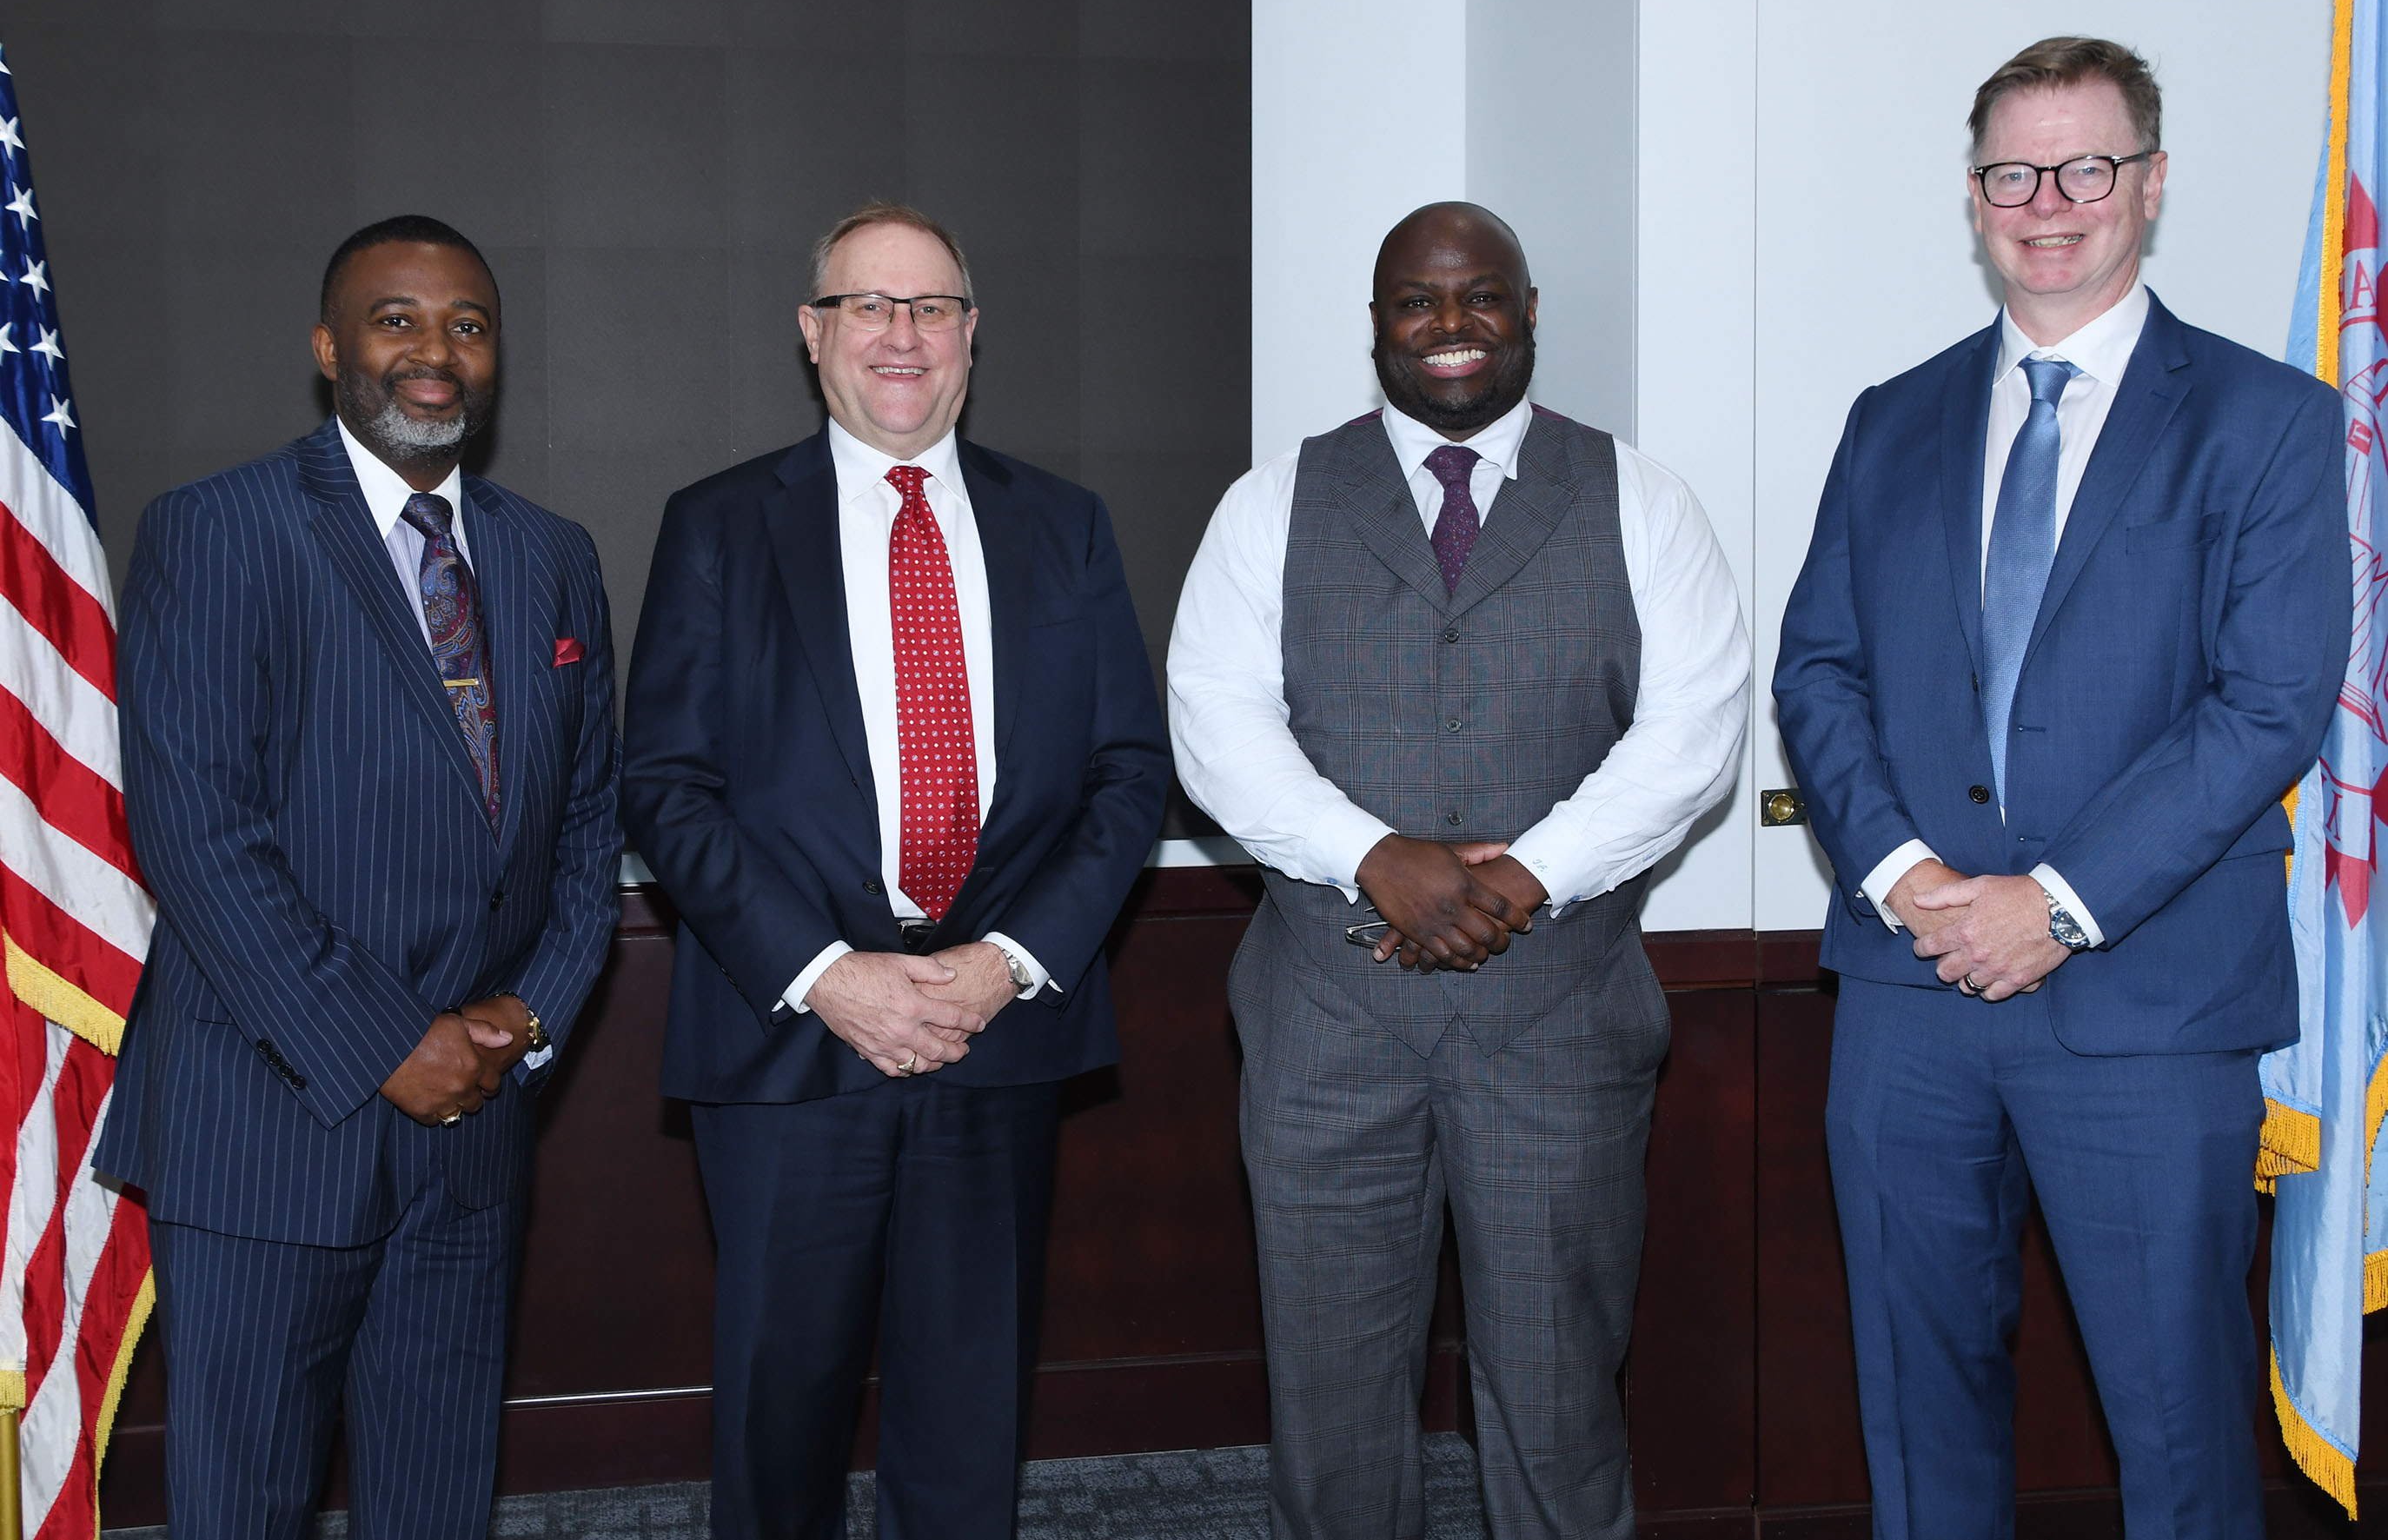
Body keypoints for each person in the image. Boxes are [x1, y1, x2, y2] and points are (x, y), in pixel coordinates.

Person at [1774, 37, 2347, 1537]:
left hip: (2152, 1016)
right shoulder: (1890, 419)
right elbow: (1817, 672)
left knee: (2179, 1433)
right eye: (2015, 172)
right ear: (1974, 200)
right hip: (1908, 1001)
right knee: (1918, 1406)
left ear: (2149, 187)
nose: (2050, 201)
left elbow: (2269, 704)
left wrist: (2059, 905)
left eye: (2087, 166)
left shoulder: (2267, 422)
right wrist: (1905, 877)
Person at [1169, 202, 1749, 1539]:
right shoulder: (1273, 500)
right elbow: (1214, 718)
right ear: (1376, 326)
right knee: (1329, 1405)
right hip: (1325, 1030)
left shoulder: (1642, 497)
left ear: (1531, 310)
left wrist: (1524, 877)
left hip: (1560, 1027)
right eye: (1416, 304)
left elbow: (1695, 731)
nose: (1448, 328)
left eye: (1479, 297)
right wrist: (1374, 858)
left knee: (1556, 1400)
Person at [620, 201, 1169, 1539]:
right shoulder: (718, 526)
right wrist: (830, 977)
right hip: (790, 1043)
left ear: (974, 336)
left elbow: (1126, 778)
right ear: (815, 335)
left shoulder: (1067, 525)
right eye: (869, 304)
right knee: (776, 1415)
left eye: (931, 307)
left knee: (970, 1416)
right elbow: (665, 788)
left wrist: (1000, 966)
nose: (902, 333)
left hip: (999, 1037)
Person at [99, 215, 623, 1538]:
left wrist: (530, 1016)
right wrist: (393, 1042)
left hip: (476, 1136)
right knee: (246, 1508)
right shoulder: (217, 530)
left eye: (467, 324)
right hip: (274, 1128)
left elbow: (583, 826)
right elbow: (200, 838)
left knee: (438, 1502)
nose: (435, 351)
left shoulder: (554, 556)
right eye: (397, 319)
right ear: (330, 346)